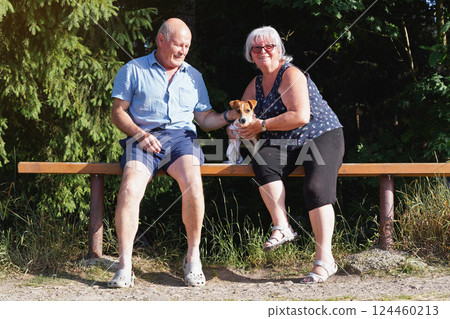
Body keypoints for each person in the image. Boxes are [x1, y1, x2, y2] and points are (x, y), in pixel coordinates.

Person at [109, 18, 236, 288]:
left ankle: (193, 259)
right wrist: (139, 134)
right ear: (161, 40)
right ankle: (124, 266)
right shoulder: (133, 69)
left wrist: (229, 115)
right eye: (178, 44)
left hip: (182, 139)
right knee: (130, 188)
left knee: (193, 182)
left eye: (187, 46)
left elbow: (204, 119)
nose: (182, 51)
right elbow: (117, 112)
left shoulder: (194, 76)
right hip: (144, 137)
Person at [234, 26, 344, 283]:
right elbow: (242, 115)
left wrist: (260, 126)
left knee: (315, 188)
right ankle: (282, 226)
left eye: (269, 46)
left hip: (322, 134)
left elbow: (300, 116)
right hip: (287, 142)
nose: (263, 51)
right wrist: (236, 129)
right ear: (250, 54)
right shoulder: (256, 83)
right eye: (257, 48)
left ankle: (324, 261)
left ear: (279, 49)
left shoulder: (291, 73)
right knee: (261, 159)